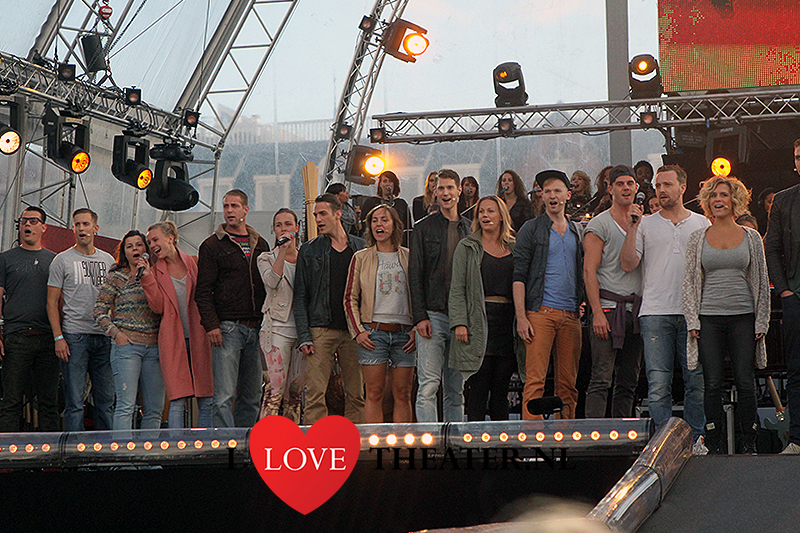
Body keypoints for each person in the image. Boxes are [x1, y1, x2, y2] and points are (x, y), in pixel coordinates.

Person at [620, 165, 709, 454]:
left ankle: (696, 439)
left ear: (683, 187)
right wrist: (632, 227)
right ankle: (663, 444)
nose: (661, 190)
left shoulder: (701, 222)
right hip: (655, 310)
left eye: (667, 185)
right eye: (658, 185)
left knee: (695, 379)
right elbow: (628, 264)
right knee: (658, 383)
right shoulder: (645, 224)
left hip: (692, 312)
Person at [683, 175, 769, 454]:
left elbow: (761, 280)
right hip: (708, 318)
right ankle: (714, 442)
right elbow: (689, 282)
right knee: (712, 382)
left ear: (735, 200)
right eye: (713, 195)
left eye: (723, 194)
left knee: (745, 380)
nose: (718, 200)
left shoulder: (751, 237)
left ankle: (749, 442)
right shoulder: (698, 238)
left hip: (743, 316)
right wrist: (692, 320)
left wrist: (762, 320)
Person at [195, 189, 270, 427]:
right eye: (226, 206)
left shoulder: (261, 244)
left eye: (234, 206)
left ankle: (246, 443)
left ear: (246, 210)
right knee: (223, 396)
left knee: (253, 394)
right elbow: (203, 291)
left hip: (256, 326)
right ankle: (226, 443)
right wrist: (211, 325)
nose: (229, 210)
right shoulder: (212, 245)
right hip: (228, 327)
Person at [514, 170, 585, 420]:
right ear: (542, 196)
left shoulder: (577, 230)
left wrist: (581, 301)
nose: (552, 195)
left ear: (568, 195)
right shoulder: (531, 229)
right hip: (540, 312)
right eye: (547, 191)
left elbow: (582, 271)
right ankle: (531, 438)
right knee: (535, 381)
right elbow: (519, 275)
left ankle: (565, 435)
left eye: (557, 190)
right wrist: (522, 317)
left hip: (571, 315)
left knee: (568, 385)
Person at [294, 193, 366, 424]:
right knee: (315, 394)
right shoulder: (309, 250)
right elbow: (300, 295)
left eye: (323, 214)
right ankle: (315, 440)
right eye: (315, 215)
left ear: (338, 214)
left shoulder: (360, 247)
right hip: (320, 329)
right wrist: (304, 335)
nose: (318, 219)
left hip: (353, 330)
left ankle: (356, 440)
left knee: (356, 393)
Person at [451, 195, 523, 421]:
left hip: (507, 322)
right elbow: (457, 288)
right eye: (481, 212)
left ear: (501, 216)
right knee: (478, 387)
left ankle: (501, 440)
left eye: (490, 211)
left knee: (501, 389)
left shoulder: (515, 247)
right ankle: (475, 440)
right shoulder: (467, 246)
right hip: (478, 320)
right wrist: (459, 322)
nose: (485, 216)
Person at [410, 169, 471, 422]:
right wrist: (420, 316)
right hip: (432, 315)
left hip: (461, 317)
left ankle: (454, 439)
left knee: (456, 390)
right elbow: (415, 274)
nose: (445, 193)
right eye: (441, 188)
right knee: (428, 386)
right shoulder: (422, 228)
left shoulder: (470, 229)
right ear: (434, 192)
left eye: (450, 188)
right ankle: (430, 439)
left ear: (459, 191)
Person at [344, 205, 415, 423]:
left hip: (404, 333)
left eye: (384, 220)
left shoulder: (409, 256)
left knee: (403, 393)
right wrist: (358, 332)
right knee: (374, 392)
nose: (379, 225)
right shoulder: (361, 257)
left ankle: (403, 443)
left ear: (394, 225)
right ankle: (374, 442)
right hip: (373, 332)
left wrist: (416, 328)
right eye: (374, 220)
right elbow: (349, 298)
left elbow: (420, 294)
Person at [47, 208, 116, 431]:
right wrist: (58, 337)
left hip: (104, 337)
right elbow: (51, 302)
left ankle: (107, 449)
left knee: (106, 400)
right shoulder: (62, 260)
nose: (81, 229)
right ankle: (74, 450)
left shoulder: (107, 260)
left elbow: (114, 299)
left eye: (86, 224)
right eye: (77, 224)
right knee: (75, 401)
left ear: (96, 228)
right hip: (74, 336)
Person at [583, 165, 643, 418]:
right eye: (620, 184)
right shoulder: (600, 224)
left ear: (636, 188)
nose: (625, 188)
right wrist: (597, 312)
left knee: (629, 381)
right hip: (608, 308)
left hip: (636, 310)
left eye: (629, 183)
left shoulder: (643, 222)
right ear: (610, 189)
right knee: (601, 379)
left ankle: (624, 431)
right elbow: (589, 271)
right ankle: (594, 434)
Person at [141, 221, 214, 428]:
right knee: (178, 398)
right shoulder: (154, 272)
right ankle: (177, 446)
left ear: (170, 238)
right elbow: (157, 307)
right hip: (174, 340)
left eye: (155, 240)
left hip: (200, 337)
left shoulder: (195, 263)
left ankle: (204, 444)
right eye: (149, 242)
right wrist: (146, 278)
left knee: (206, 397)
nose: (152, 245)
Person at [94, 231, 164, 430]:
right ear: (124, 252)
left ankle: (148, 450)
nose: (135, 249)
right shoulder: (117, 277)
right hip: (127, 347)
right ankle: (123, 450)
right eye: (130, 246)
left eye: (139, 245)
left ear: (146, 249)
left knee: (154, 409)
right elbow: (99, 310)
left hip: (154, 347)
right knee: (126, 406)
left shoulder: (157, 274)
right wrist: (116, 334)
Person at [0, 207, 60, 432]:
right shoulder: (6, 259)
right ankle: (8, 452)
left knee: (49, 402)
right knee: (11, 400)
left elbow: (61, 300)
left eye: (33, 221)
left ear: (44, 227)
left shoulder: (54, 260)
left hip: (48, 337)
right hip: (16, 337)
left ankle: (50, 452)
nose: (27, 225)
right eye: (24, 221)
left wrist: (60, 336)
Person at [765, 139, 800, 454]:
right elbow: (772, 248)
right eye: (799, 157)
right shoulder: (783, 200)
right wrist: (785, 290)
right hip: (795, 297)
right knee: (797, 369)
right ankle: (798, 438)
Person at [256, 208, 306, 423]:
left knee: (295, 393)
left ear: (297, 228)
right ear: (274, 230)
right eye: (279, 225)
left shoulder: (306, 256)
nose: (284, 229)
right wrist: (282, 251)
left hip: (302, 330)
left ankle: (292, 435)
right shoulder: (265, 258)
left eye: (288, 224)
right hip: (276, 328)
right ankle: (267, 437)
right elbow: (272, 282)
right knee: (274, 390)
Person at [360, 171, 412, 245]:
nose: (388, 184)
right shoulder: (371, 203)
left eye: (390, 181)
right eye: (385, 181)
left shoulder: (401, 204)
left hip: (398, 243)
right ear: (380, 185)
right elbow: (364, 224)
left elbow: (407, 227)